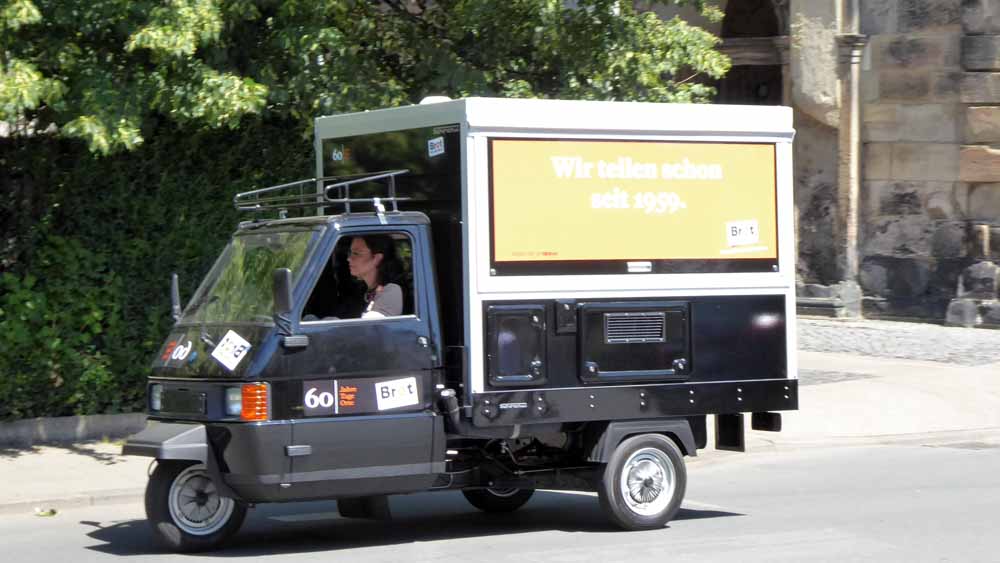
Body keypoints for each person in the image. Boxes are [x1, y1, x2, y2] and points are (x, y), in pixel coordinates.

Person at [348, 234, 404, 318]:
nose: (349, 258)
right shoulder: (362, 292)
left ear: (377, 259)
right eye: (350, 253)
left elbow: (370, 328)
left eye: (356, 253)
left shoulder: (392, 290)